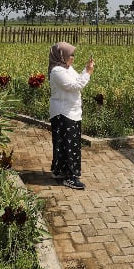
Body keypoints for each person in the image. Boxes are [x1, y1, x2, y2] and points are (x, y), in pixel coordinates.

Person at [48, 41, 95, 190]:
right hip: (63, 112)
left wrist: (85, 70)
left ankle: (60, 170)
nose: (73, 58)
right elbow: (75, 86)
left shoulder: (67, 68)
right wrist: (87, 73)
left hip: (71, 112)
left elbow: (76, 81)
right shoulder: (57, 71)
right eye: (70, 55)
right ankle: (71, 177)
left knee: (64, 143)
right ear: (62, 56)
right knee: (69, 145)